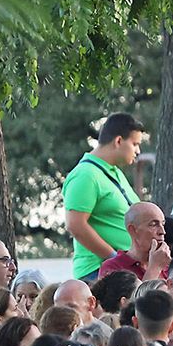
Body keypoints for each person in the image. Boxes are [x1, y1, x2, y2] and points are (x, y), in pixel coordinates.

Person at [63, 113, 144, 280]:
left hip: (123, 270)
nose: (138, 151)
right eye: (135, 144)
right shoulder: (85, 175)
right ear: (119, 141)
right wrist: (115, 259)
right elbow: (75, 225)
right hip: (98, 272)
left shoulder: (115, 173)